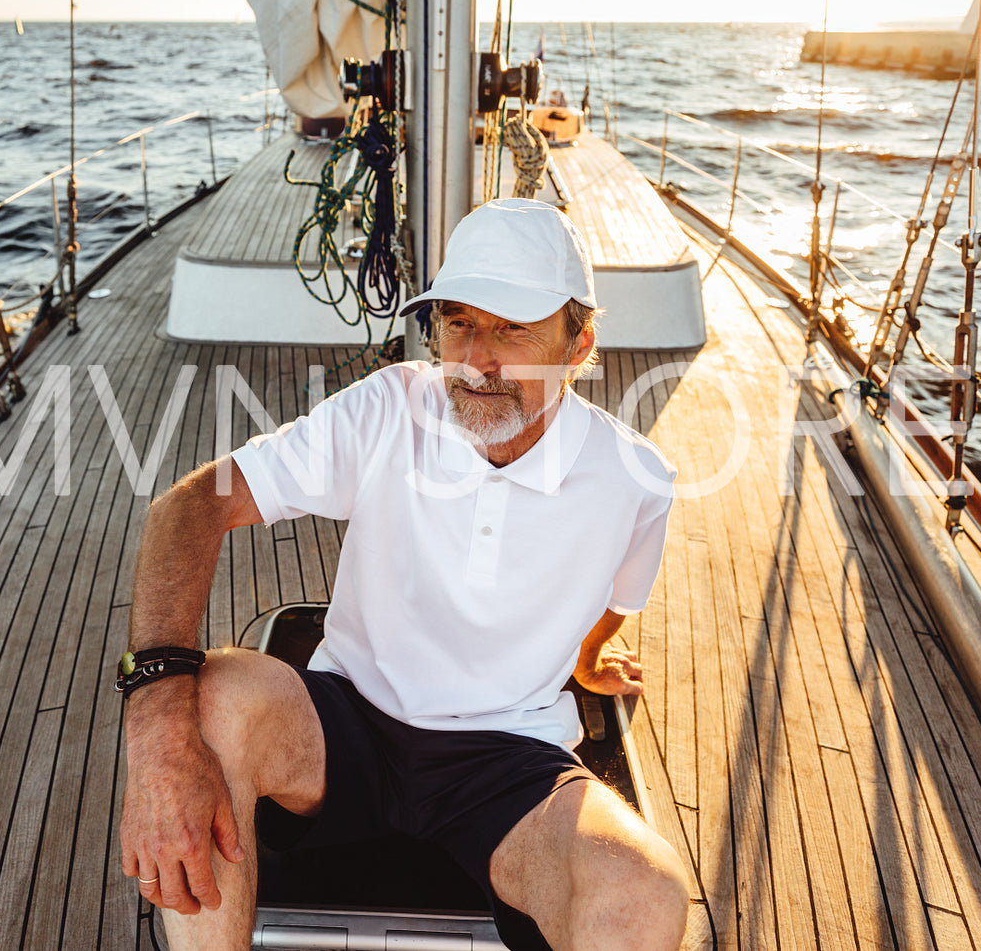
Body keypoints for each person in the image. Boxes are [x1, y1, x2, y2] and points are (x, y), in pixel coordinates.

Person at [118, 198, 690, 951]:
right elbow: (189, 506)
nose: (478, 357)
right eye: (458, 322)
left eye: (513, 327)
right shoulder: (390, 408)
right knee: (215, 692)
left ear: (578, 343)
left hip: (508, 762)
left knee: (645, 895)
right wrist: (156, 739)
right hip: (345, 720)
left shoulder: (635, 480)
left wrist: (589, 659)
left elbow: (613, 601)